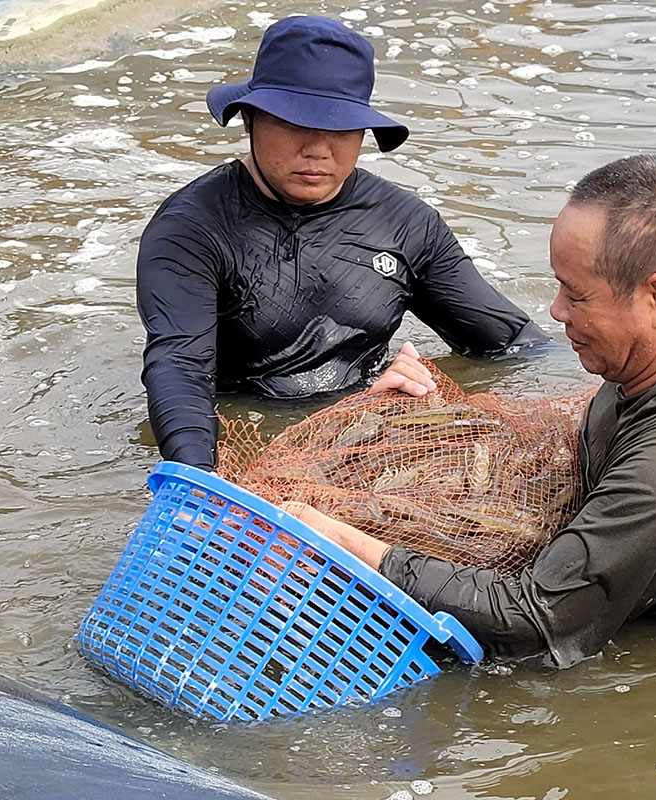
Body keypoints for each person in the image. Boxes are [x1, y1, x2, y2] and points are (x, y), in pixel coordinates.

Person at [287, 154, 656, 668]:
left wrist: (342, 543)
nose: (556, 311)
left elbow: (534, 623)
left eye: (577, 294)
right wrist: (428, 423)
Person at [136, 15, 547, 470]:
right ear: (250, 118)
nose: (318, 149)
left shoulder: (406, 225)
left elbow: (518, 348)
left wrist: (431, 400)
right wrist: (198, 481)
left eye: (340, 128)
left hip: (371, 430)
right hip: (253, 433)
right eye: (295, 124)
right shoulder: (192, 227)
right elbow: (181, 368)